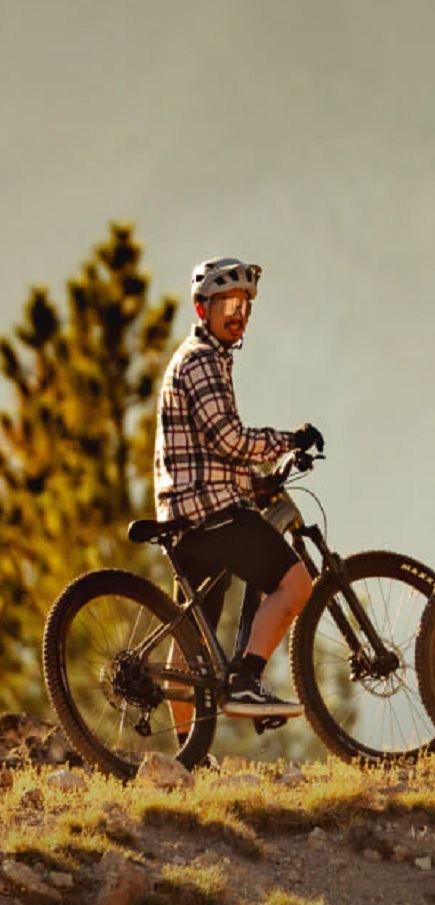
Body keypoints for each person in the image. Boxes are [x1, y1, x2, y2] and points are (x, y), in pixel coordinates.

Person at [154, 256, 325, 731]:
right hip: (211, 513)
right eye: (228, 302)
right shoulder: (204, 360)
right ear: (201, 307)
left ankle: (186, 751)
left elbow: (212, 454)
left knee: (191, 642)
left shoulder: (199, 358)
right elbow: (228, 438)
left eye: (245, 305)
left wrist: (257, 481)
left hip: (184, 515)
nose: (238, 313)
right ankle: (248, 680)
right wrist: (286, 440)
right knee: (297, 584)